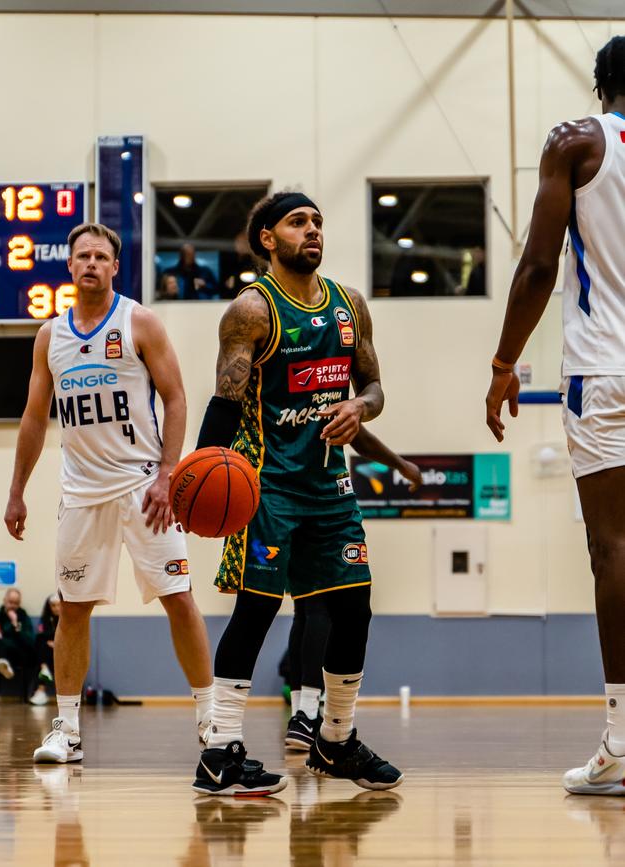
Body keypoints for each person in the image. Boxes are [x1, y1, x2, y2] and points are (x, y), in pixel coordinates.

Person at [192, 190, 405, 796]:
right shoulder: (251, 312)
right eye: (297, 222)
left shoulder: (349, 305)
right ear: (268, 238)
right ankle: (218, 754)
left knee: (353, 608)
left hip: (330, 488)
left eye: (317, 222)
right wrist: (197, 483)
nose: (312, 231)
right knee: (256, 611)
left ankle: (335, 742)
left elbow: (375, 386)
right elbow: (225, 406)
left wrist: (359, 405)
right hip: (267, 488)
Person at [3, 221, 213, 764]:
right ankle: (68, 731)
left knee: (179, 599)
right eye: (83, 256)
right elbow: (33, 417)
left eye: (101, 256)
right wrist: (17, 490)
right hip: (81, 494)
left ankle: (213, 721)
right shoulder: (50, 336)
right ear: (69, 267)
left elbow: (177, 398)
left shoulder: (138, 320)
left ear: (115, 267)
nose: (92, 263)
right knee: (72, 609)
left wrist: (170, 473)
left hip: (144, 486)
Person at [485, 36, 625, 796]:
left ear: (601, 84)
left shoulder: (578, 142)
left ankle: (623, 740)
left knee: (614, 549)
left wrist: (505, 365)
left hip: (608, 369)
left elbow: (539, 266)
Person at [285, 426, 421, 750]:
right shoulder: (311, 389)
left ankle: (301, 713)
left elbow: (353, 428)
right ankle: (307, 714)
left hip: (283, 500)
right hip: (309, 497)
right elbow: (354, 431)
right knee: (321, 608)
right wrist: (400, 464)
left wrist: (399, 464)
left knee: (305, 608)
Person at [0, 588, 36, 705]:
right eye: (10, 602)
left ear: (19, 603)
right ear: (4, 601)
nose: (13, 605)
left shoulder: (24, 618)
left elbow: (30, 643)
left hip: (17, 656)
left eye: (16, 603)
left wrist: (16, 627)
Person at [29, 594, 60, 706]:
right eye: (53, 606)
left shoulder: (68, 620)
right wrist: (49, 643)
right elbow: (41, 637)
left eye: (58, 605)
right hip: (48, 653)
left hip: (63, 652)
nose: (56, 608)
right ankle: (44, 668)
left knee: (44, 649)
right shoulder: (45, 620)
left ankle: (41, 689)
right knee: (42, 645)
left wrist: (57, 644)